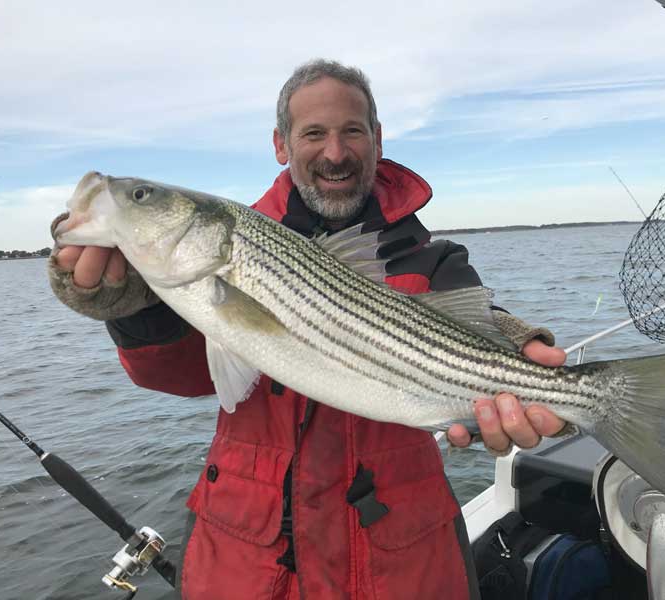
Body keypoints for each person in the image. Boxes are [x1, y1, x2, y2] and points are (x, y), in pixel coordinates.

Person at [49, 59, 568, 600]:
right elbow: (182, 373)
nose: (336, 153)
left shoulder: (435, 259)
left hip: (402, 561)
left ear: (377, 139)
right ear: (281, 144)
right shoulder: (234, 247)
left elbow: (466, 322)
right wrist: (131, 304)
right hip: (247, 561)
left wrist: (512, 343)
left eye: (352, 131)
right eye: (314, 133)